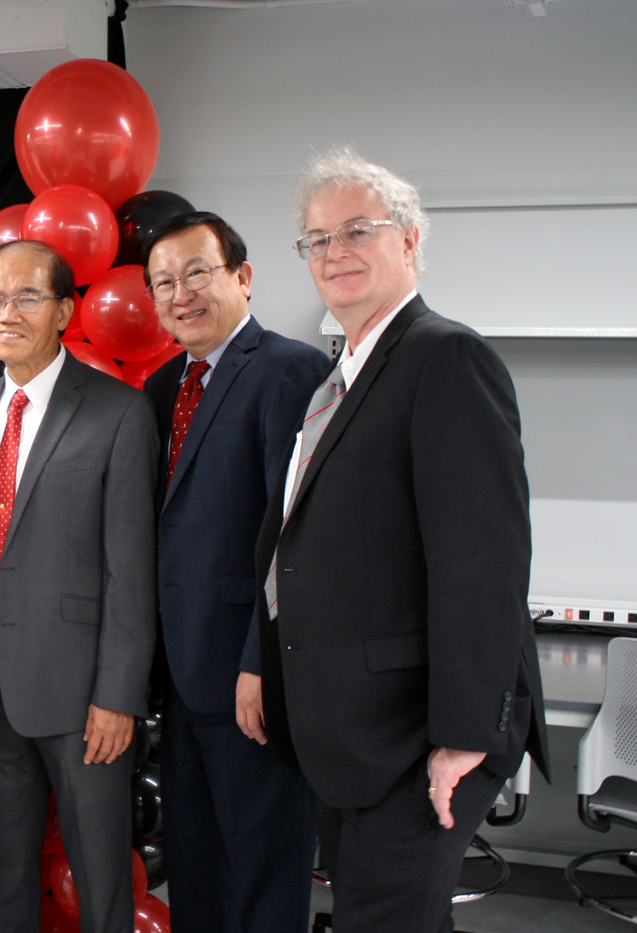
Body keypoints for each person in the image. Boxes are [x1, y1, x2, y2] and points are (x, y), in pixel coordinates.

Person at [255, 146, 549, 932]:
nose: (334, 252)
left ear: (410, 241)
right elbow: (294, 541)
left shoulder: (445, 356)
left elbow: (483, 563)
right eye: (316, 239)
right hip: (350, 729)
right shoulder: (339, 375)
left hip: (417, 737)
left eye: (357, 230)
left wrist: (462, 738)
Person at [0, 240, 158, 933]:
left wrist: (118, 694)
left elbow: (131, 567)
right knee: (2, 872)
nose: (5, 312)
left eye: (26, 296)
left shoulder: (119, 412)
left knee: (101, 874)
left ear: (66, 309)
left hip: (82, 696)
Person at [141, 211, 330, 933]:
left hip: (252, 678)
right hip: (182, 682)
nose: (181, 293)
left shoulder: (290, 370)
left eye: (198, 273)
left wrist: (262, 661)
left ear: (243, 277)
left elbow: (293, 536)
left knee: (262, 867)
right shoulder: (162, 388)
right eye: (165, 282)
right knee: (194, 864)